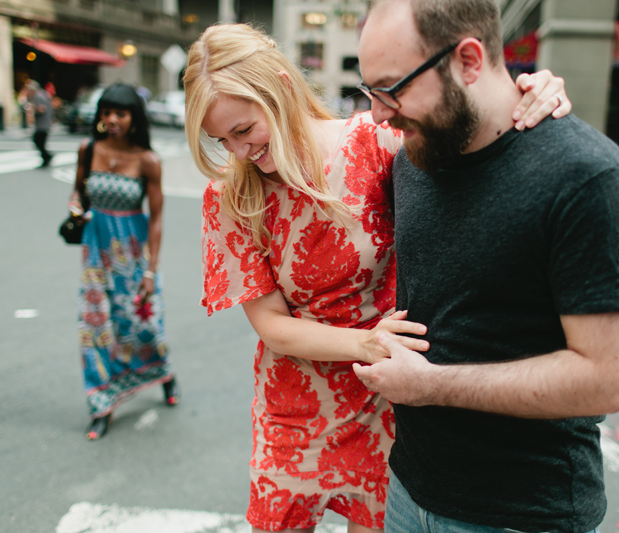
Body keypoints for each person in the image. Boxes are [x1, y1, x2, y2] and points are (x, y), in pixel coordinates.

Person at [184, 23, 570, 533]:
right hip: (296, 404)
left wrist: (532, 90)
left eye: (243, 129)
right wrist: (368, 343)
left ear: (279, 86)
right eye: (220, 140)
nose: (238, 152)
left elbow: (474, 143)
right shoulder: (230, 199)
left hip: (386, 396)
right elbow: (272, 326)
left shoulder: (374, 142)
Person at [352, 1, 619, 533]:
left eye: (392, 88)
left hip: (522, 515)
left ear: (469, 60)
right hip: (406, 491)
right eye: (369, 90)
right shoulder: (412, 157)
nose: (379, 112)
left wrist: (431, 385)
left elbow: (608, 379)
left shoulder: (588, 179)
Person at [68, 83, 179, 441]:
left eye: (120, 113)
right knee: (95, 328)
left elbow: (157, 217)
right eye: (106, 112)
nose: (111, 120)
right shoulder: (88, 150)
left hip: (133, 260)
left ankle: (163, 373)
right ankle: (101, 404)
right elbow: (78, 191)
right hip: (95, 258)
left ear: (134, 118)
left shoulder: (148, 161)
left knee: (142, 327)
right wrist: (74, 207)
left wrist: (151, 269)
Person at [25, 81, 54, 167]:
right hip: (45, 124)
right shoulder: (43, 94)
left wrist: (32, 109)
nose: (28, 92)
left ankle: (47, 157)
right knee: (40, 142)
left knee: (38, 141)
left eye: (29, 90)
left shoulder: (38, 96)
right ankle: (46, 157)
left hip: (42, 124)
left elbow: (42, 108)